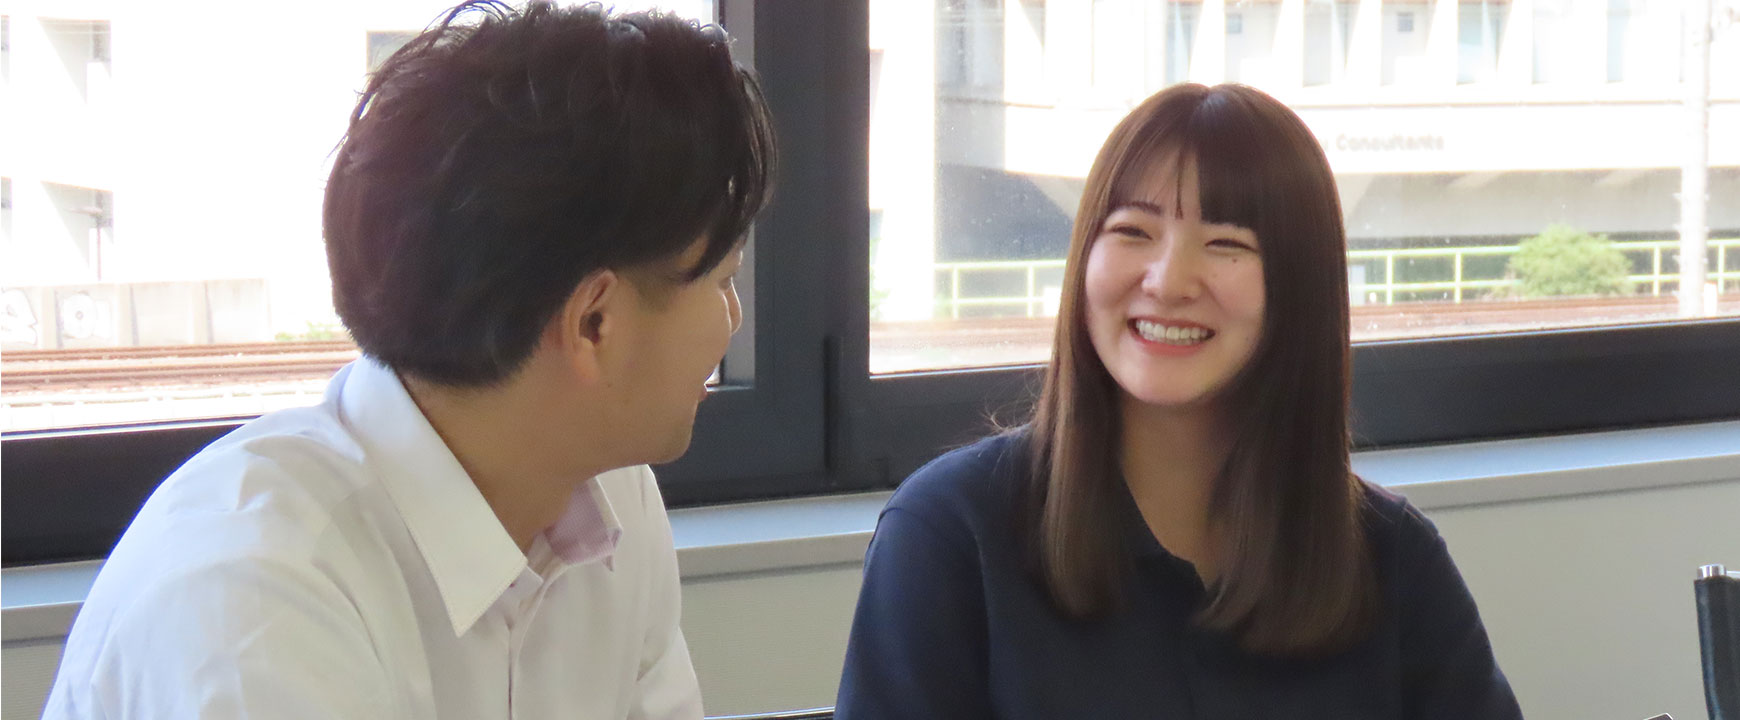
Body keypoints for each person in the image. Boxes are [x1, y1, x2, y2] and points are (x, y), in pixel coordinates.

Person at [43, 2, 774, 718]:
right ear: (594, 324)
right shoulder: (254, 605)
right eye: (722, 280)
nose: (733, 320)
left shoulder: (610, 494)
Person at [835, 83, 1522, 719]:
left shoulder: (1391, 558)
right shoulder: (950, 533)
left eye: (1225, 243)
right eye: (1133, 232)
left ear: (1298, 288)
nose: (1167, 282)